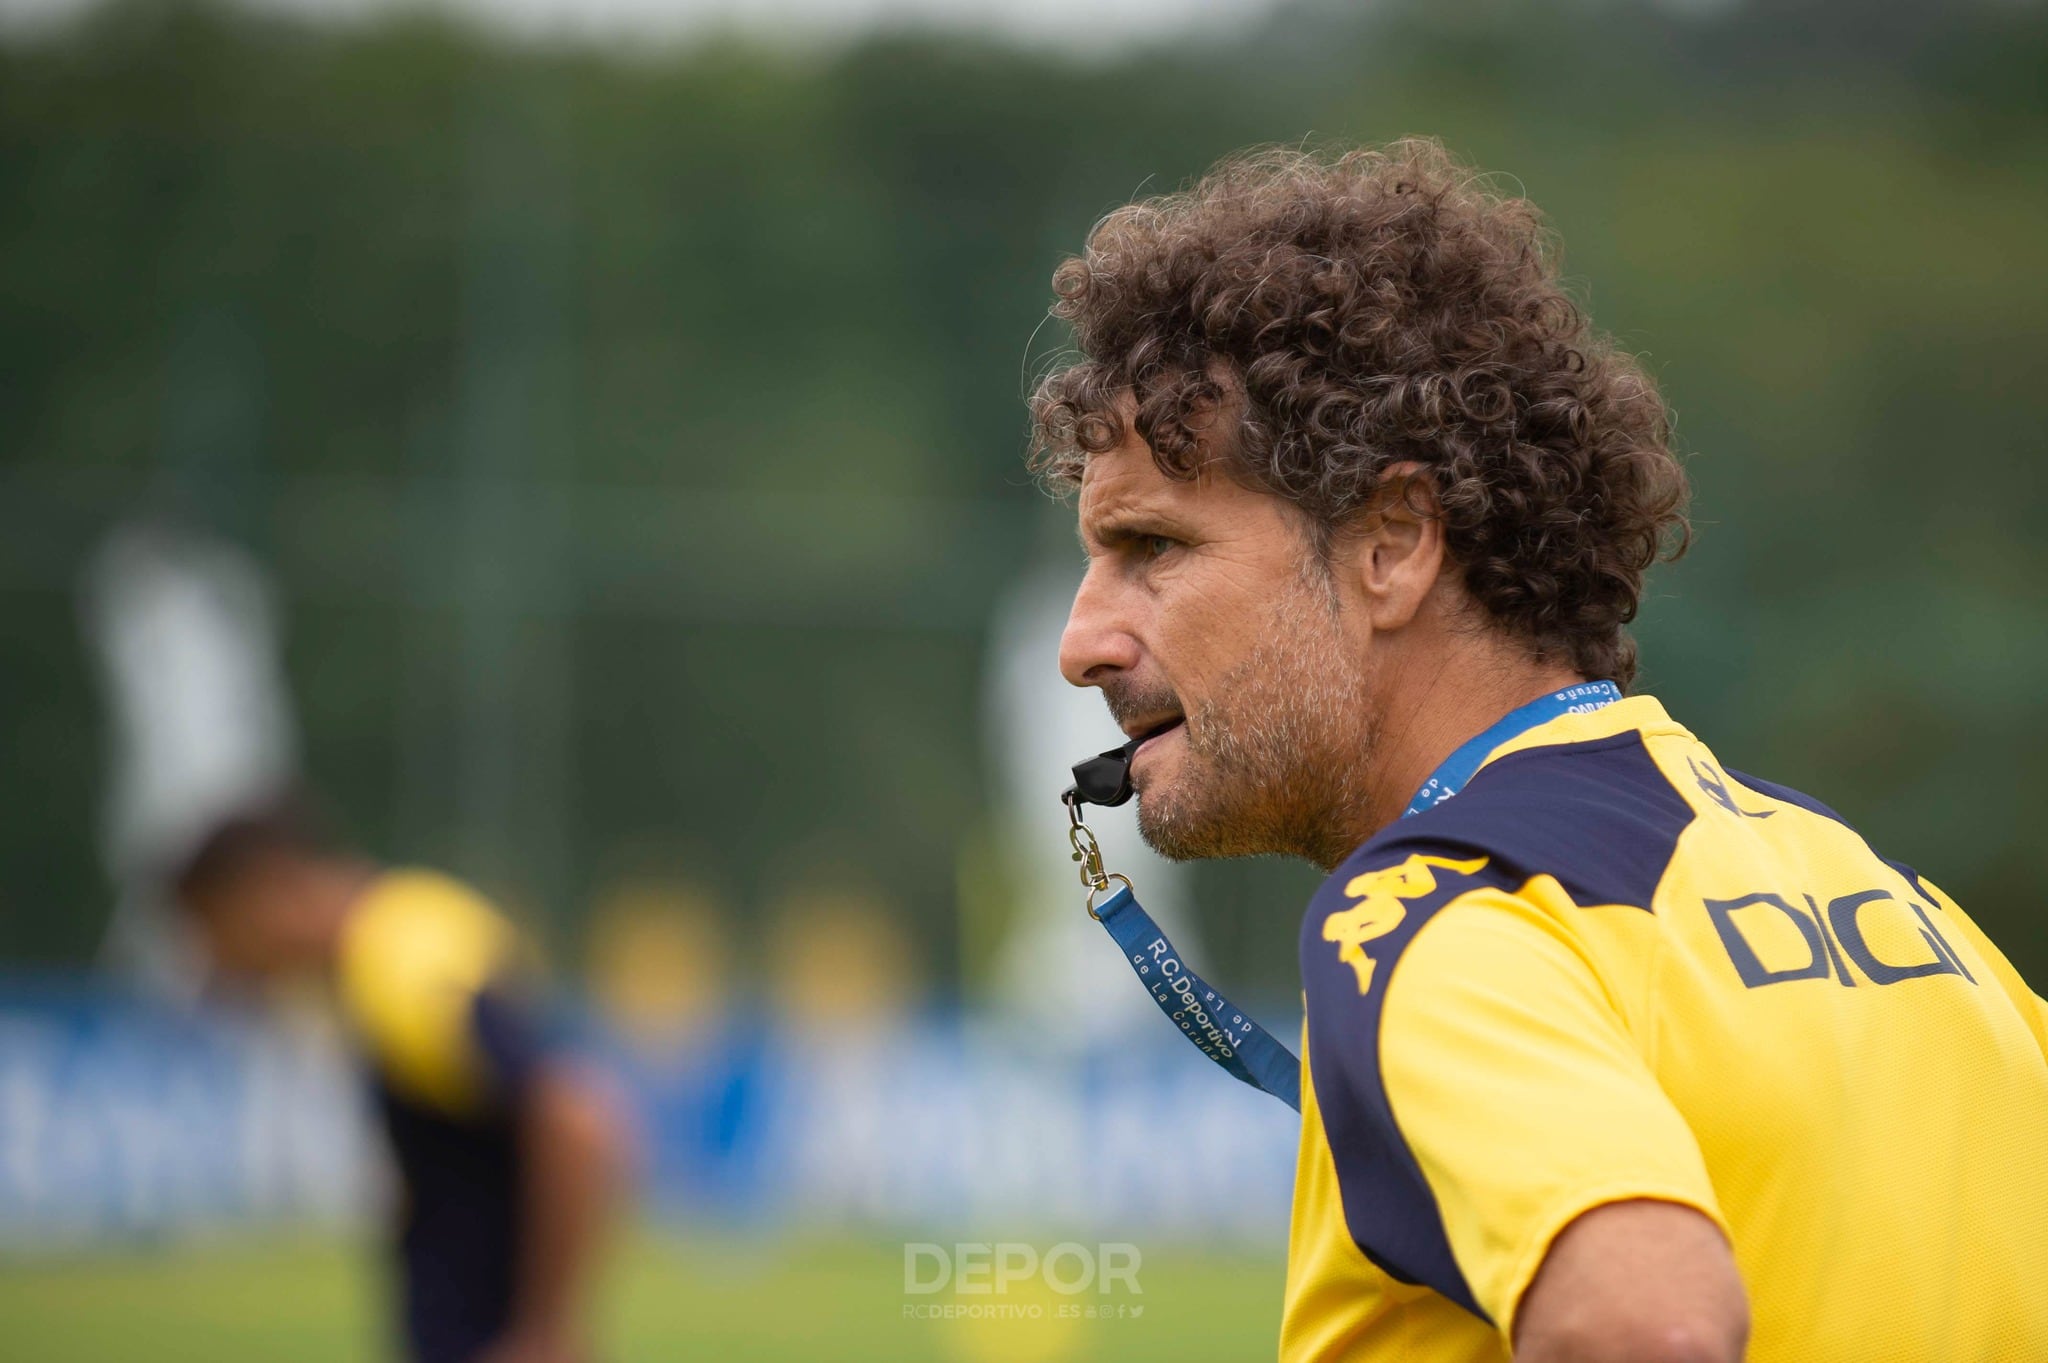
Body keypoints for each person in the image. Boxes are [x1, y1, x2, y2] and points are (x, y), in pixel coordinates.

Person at [1030, 139, 2048, 1363]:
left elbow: (1648, 1325)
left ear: (1392, 543)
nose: (1081, 643)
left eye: (1153, 547)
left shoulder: (1437, 921)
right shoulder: (1896, 906)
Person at [172, 799, 629, 1363]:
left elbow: (576, 1119)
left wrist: (545, 1331)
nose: (212, 965)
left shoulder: (398, 971)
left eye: (210, 931)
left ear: (263, 892)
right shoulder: (409, 918)